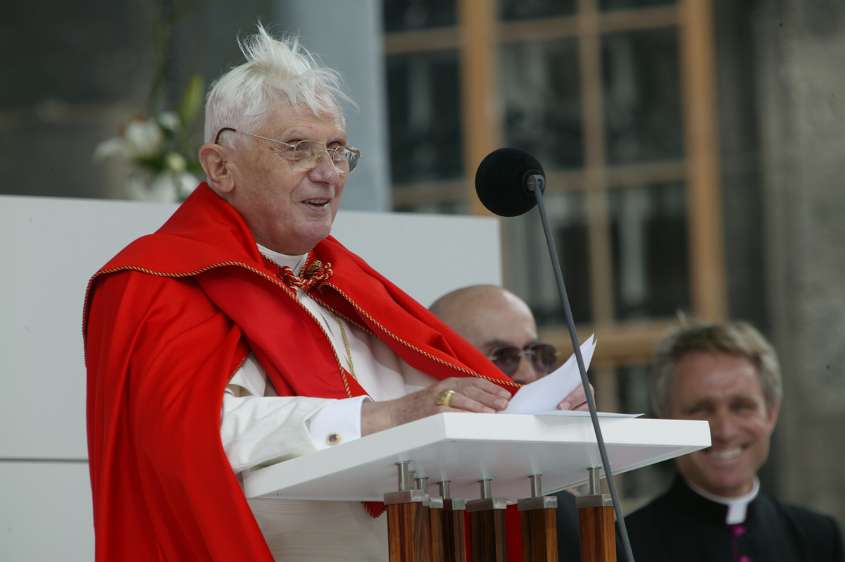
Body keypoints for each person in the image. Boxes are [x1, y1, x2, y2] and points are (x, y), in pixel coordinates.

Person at [83, 27, 586, 562]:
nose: (328, 173)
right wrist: (380, 418)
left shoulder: (345, 284)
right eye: (297, 148)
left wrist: (531, 412)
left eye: (338, 150)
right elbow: (190, 436)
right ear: (220, 167)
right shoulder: (156, 280)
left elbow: (432, 406)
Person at [623, 320, 844, 562]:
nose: (725, 431)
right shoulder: (625, 546)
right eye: (701, 409)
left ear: (771, 414)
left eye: (741, 407)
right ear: (666, 419)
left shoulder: (819, 540)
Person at [430, 284, 586, 562]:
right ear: (442, 364)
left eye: (538, 354)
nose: (528, 374)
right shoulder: (411, 508)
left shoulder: (567, 508)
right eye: (503, 356)